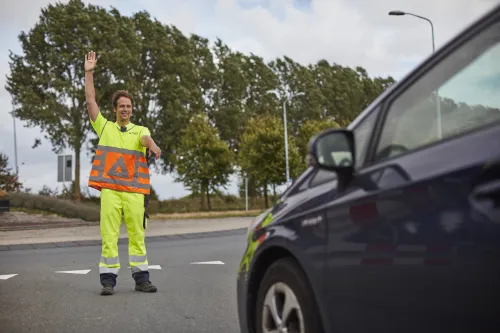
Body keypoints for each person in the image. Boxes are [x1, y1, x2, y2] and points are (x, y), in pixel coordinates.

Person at [84, 51, 161, 296]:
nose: (125, 109)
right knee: (109, 236)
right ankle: (108, 281)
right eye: (122, 106)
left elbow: (146, 138)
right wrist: (89, 72)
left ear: (132, 109)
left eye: (128, 106)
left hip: (135, 193)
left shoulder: (140, 130)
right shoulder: (105, 127)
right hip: (111, 192)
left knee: (138, 236)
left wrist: (153, 145)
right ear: (115, 109)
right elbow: (90, 102)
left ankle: (141, 279)